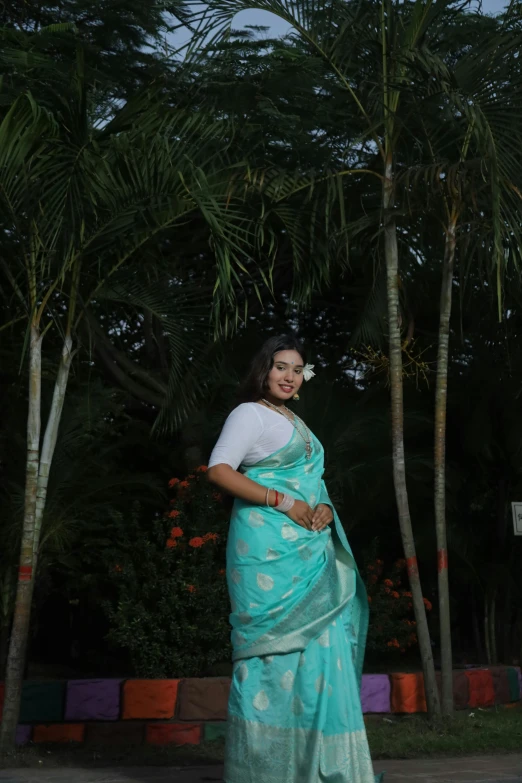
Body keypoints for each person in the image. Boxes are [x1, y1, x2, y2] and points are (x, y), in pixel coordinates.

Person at [208, 334, 383, 783]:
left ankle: (325, 769)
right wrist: (284, 503)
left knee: (324, 652)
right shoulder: (249, 413)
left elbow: (312, 483)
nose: (289, 375)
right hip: (267, 553)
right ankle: (264, 772)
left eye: (297, 368)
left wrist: (325, 507)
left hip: (309, 548)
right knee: (272, 660)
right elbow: (219, 469)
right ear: (263, 371)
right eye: (281, 366)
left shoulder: (293, 420)